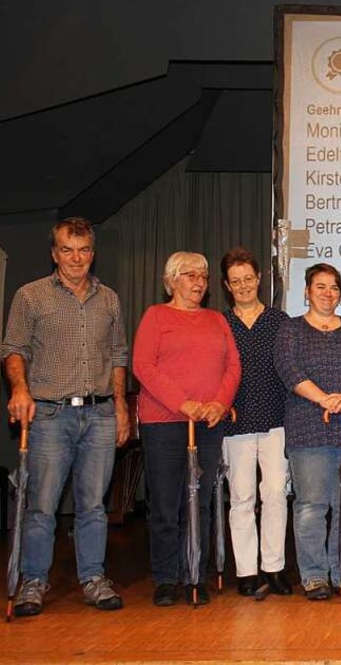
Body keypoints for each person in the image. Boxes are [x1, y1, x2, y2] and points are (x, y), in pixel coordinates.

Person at [0, 216, 130, 616]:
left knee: (93, 506)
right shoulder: (30, 296)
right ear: (54, 253)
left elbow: (119, 355)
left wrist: (121, 406)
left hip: (100, 414)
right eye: (68, 250)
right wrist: (20, 388)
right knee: (42, 505)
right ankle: (33, 581)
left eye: (84, 250)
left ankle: (93, 578)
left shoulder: (109, 298)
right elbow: (13, 349)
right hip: (50, 416)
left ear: (93, 253)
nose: (77, 258)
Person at [133, 251, 241, 607]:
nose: (198, 282)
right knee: (166, 503)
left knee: (201, 502)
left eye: (203, 276)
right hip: (164, 422)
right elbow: (144, 366)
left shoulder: (216, 320)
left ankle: (195, 573)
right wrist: (184, 403)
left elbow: (233, 365)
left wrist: (219, 404)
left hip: (209, 423)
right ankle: (166, 578)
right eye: (190, 275)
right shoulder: (156, 315)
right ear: (172, 280)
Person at [274, 263, 341, 600]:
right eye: (320, 286)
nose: (327, 293)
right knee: (310, 505)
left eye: (334, 287)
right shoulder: (291, 330)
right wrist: (325, 400)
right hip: (308, 428)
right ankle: (315, 575)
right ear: (306, 291)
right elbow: (289, 370)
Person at [220, 247, 291, 597]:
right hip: (235, 422)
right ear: (226, 285)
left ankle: (274, 568)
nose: (244, 285)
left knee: (276, 494)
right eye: (236, 281)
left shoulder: (280, 321)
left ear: (259, 278)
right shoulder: (219, 323)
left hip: (277, 419)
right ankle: (246, 571)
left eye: (248, 278)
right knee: (242, 497)